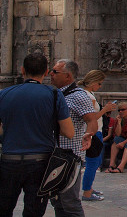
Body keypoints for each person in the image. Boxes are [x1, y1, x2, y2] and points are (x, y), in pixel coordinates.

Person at [0, 53, 74, 217]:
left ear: (22, 70)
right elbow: (69, 132)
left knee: (4, 208)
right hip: (40, 162)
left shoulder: (4, 94)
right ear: (47, 72)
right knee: (34, 211)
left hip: (9, 160)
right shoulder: (54, 95)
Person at [50, 58, 98, 216]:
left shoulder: (78, 96)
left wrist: (89, 135)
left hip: (69, 157)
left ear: (68, 76)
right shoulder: (55, 94)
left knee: (70, 202)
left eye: (55, 72)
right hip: (54, 155)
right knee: (57, 201)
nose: (51, 74)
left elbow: (92, 120)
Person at [79, 69, 116, 202]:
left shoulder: (88, 94)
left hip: (95, 131)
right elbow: (92, 117)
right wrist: (105, 109)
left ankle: (89, 188)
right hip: (93, 133)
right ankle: (87, 192)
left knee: (94, 162)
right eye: (99, 83)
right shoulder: (88, 96)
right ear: (93, 82)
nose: (100, 86)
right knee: (92, 163)